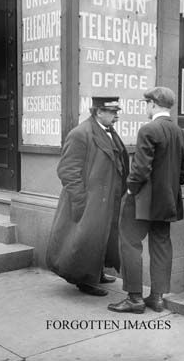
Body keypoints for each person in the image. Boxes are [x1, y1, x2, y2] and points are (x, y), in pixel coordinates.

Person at [108, 86, 184, 314]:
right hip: (167, 201)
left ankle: (134, 298)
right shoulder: (182, 135)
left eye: (147, 103)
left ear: (153, 104)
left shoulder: (148, 130)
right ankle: (156, 297)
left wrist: (130, 190)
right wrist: (170, 187)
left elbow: (140, 170)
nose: (146, 107)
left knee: (129, 243)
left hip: (142, 201)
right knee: (161, 245)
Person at [46, 96, 129, 296]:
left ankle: (96, 273)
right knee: (85, 239)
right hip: (89, 200)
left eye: (117, 112)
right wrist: (81, 200)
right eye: (112, 112)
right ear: (98, 112)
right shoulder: (80, 134)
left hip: (105, 198)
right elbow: (67, 171)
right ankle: (84, 280)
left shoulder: (106, 131)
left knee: (100, 237)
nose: (116, 116)